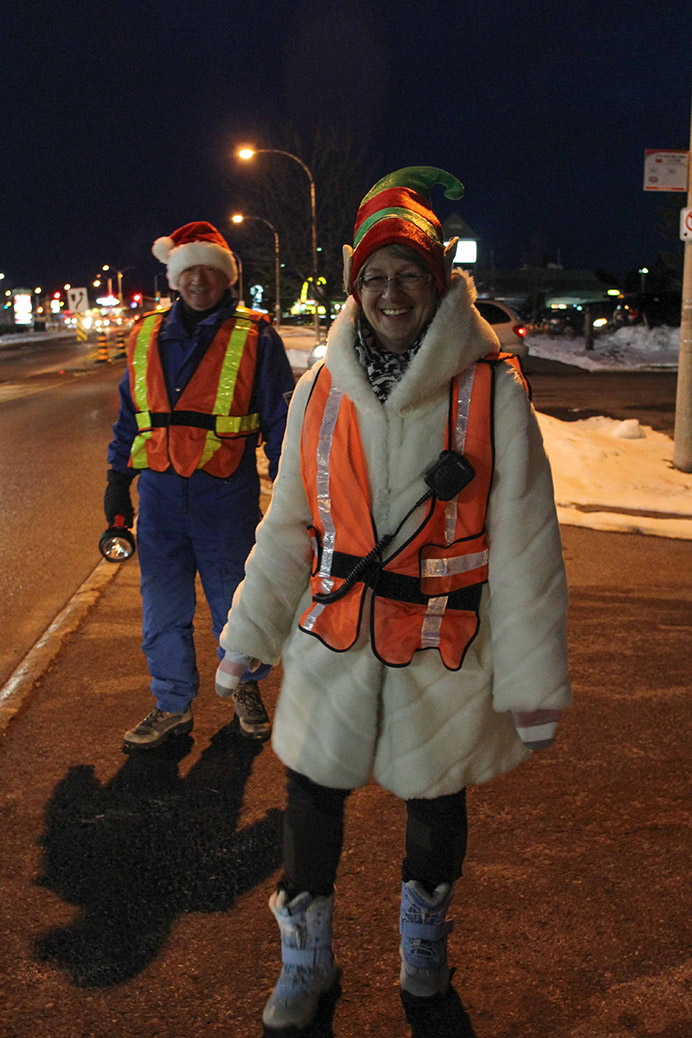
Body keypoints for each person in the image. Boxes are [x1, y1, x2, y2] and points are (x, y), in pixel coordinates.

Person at [215, 168, 571, 1030]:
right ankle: (306, 956)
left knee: (437, 802)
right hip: (333, 636)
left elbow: (527, 550)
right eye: (373, 277)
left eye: (408, 274)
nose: (390, 293)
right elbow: (291, 526)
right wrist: (250, 633)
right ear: (353, 286)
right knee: (308, 797)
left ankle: (424, 953)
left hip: (443, 644)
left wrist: (531, 683)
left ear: (441, 280)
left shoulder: (493, 393)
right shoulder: (320, 390)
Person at [105, 221, 294, 751]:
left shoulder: (256, 336)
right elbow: (131, 419)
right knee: (161, 604)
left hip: (225, 494)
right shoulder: (144, 335)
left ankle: (247, 692)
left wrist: (289, 491)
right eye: (189, 271)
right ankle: (171, 704)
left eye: (210, 270)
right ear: (174, 276)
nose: (199, 281)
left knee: (236, 599)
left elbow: (282, 421)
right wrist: (117, 482)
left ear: (226, 276)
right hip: (161, 499)